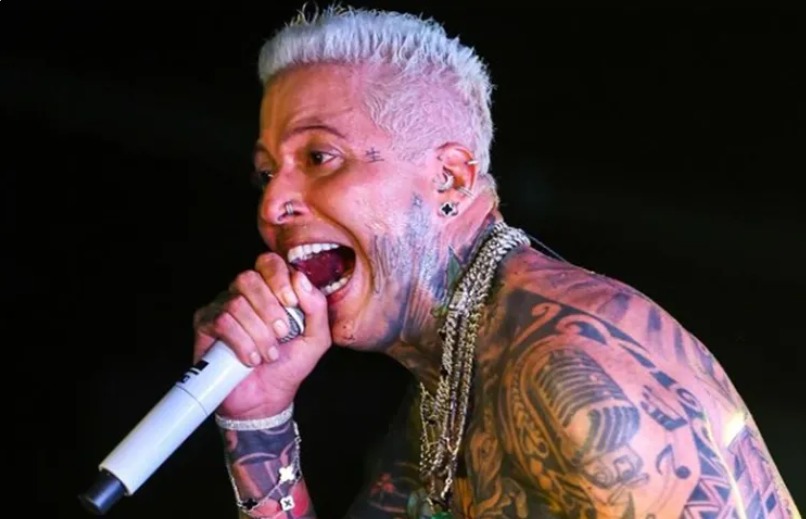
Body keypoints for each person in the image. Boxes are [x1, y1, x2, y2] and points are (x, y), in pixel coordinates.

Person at [191, 5, 799, 518]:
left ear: (450, 179)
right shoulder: (446, 394)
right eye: (267, 173)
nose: (272, 204)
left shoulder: (576, 369)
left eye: (320, 157)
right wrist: (259, 419)